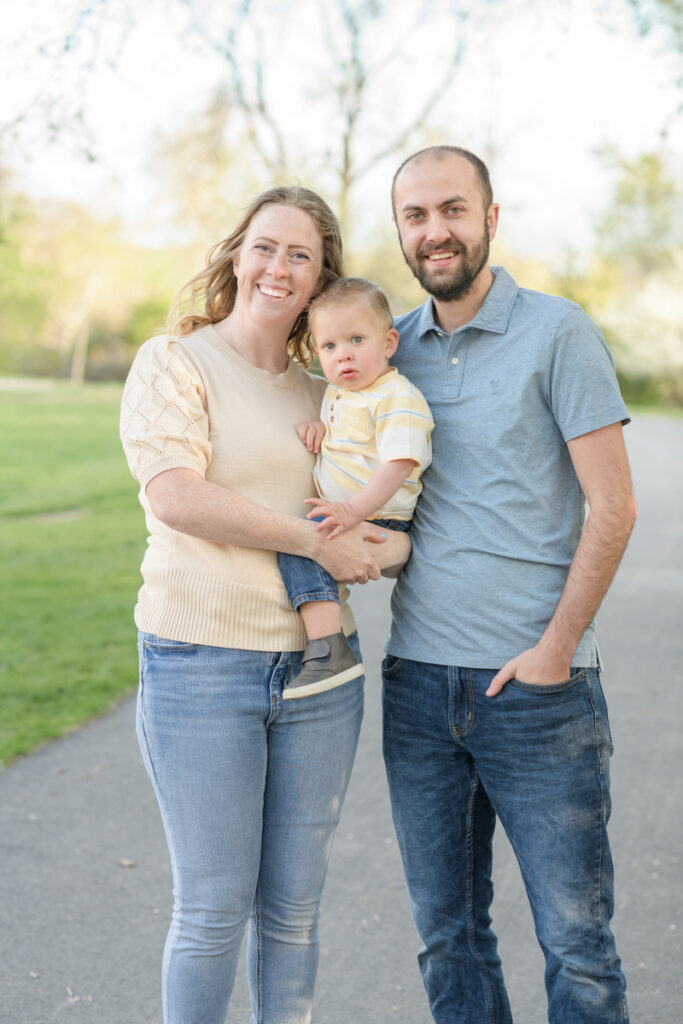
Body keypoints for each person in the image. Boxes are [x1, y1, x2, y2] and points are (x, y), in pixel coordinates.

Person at [119, 185, 410, 1024]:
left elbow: (387, 529)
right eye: (264, 246)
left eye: (300, 256)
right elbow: (176, 496)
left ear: (320, 282)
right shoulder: (174, 363)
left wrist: (380, 547)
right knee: (212, 910)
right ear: (236, 255)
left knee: (293, 911)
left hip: (323, 681)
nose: (277, 267)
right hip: (200, 666)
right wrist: (314, 541)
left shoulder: (334, 396)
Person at [381, 146, 637, 1024]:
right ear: (402, 234)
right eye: (415, 216)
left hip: (537, 692)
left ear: (491, 217)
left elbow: (614, 507)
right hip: (416, 687)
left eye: (451, 209)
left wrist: (556, 650)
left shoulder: (557, 332)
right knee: (446, 935)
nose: (434, 231)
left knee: (576, 946)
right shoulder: (389, 352)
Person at [278, 276, 434, 700]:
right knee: (298, 543)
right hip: (352, 509)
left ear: (388, 343)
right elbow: (343, 439)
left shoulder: (395, 397)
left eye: (356, 339)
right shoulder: (338, 394)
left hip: (377, 511)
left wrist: (353, 511)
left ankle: (329, 650)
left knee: (302, 544)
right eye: (328, 346)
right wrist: (318, 429)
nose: (342, 354)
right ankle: (327, 645)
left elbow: (397, 464)